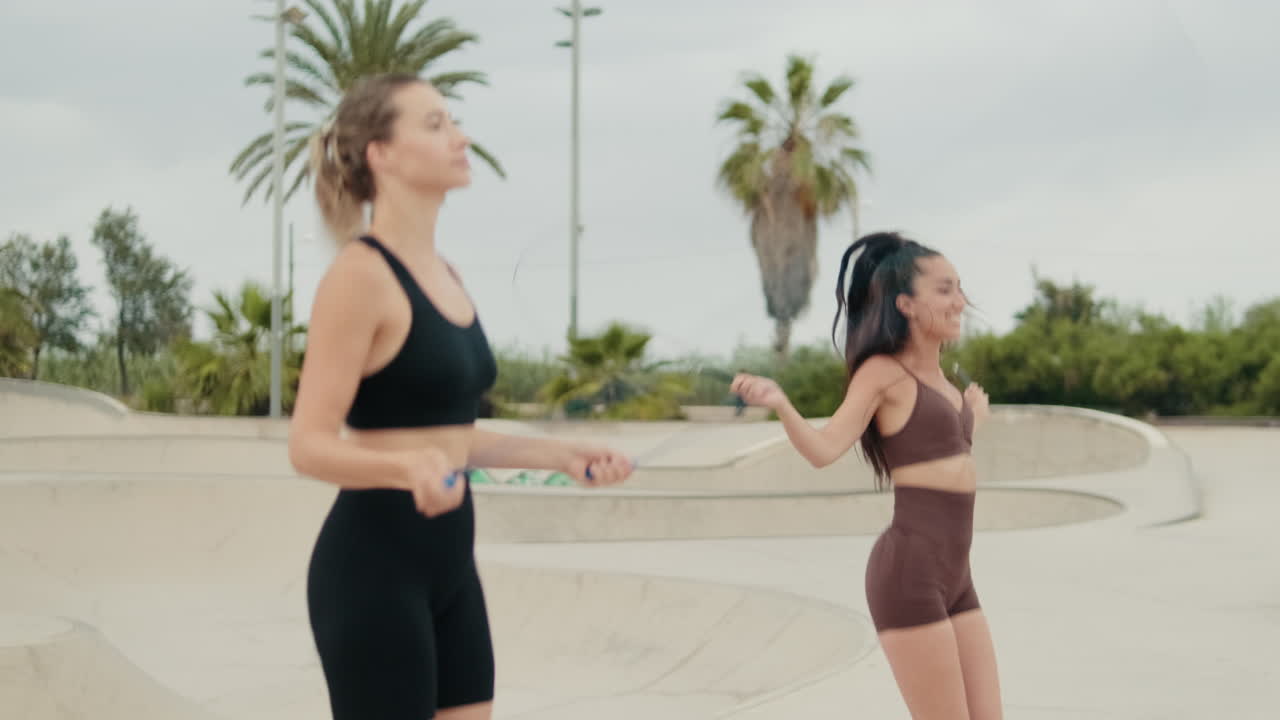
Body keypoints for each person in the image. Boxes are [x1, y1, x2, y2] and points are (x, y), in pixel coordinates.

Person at [287, 73, 633, 720]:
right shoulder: (359, 277)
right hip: (372, 573)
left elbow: (448, 435)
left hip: (450, 571)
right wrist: (403, 469)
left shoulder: (447, 276)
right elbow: (307, 445)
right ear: (380, 154)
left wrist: (558, 454)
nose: (460, 137)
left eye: (453, 121)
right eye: (435, 124)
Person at [731, 231, 1002, 719]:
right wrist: (781, 404)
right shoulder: (882, 373)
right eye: (944, 290)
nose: (960, 301)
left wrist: (970, 420)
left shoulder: (946, 384)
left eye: (960, 287)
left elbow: (941, 457)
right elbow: (823, 450)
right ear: (907, 305)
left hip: (958, 576)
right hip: (910, 573)